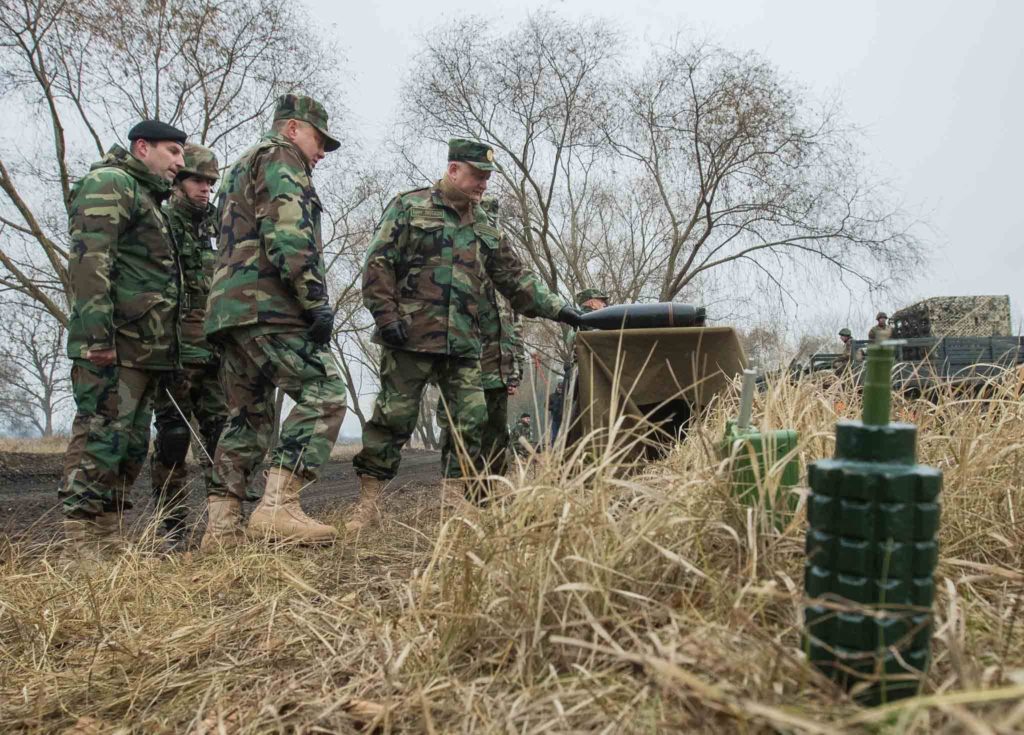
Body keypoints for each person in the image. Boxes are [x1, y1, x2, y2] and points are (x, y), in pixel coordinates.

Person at [348, 138, 583, 526]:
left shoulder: (485, 225)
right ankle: (368, 505)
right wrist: (385, 316)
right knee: (392, 419)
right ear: (454, 169)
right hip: (408, 337)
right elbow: (378, 263)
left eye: (488, 178)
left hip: (462, 344)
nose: (483, 185)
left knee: (470, 420)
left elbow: (517, 279)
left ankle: (454, 500)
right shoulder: (410, 206)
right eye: (477, 175)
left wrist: (562, 310)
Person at [199, 94, 347, 549]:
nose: (321, 152)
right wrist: (314, 299)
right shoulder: (281, 157)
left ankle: (221, 530)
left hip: (231, 310)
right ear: (292, 129)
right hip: (268, 305)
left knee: (249, 417)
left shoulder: (241, 165)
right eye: (319, 140)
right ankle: (279, 507)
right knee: (324, 392)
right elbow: (288, 229)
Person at [59, 120, 187, 564]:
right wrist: (98, 337)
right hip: (113, 344)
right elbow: (90, 262)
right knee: (100, 436)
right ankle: (79, 547)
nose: (179, 162)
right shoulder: (110, 183)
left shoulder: (148, 198)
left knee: (130, 446)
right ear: (141, 147)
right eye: (172, 151)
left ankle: (109, 541)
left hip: (144, 350)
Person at [149, 144, 227, 545]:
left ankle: (223, 525)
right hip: (176, 353)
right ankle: (174, 528)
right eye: (198, 180)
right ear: (178, 182)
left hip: (216, 353)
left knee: (221, 439)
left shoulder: (220, 225)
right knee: (173, 440)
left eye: (211, 183)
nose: (205, 189)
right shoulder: (161, 221)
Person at [435, 197, 525, 482]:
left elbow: (514, 328)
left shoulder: (504, 271)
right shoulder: (458, 261)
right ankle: (457, 489)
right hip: (466, 361)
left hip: (499, 368)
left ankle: (490, 490)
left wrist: (514, 370)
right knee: (461, 428)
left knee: (497, 433)